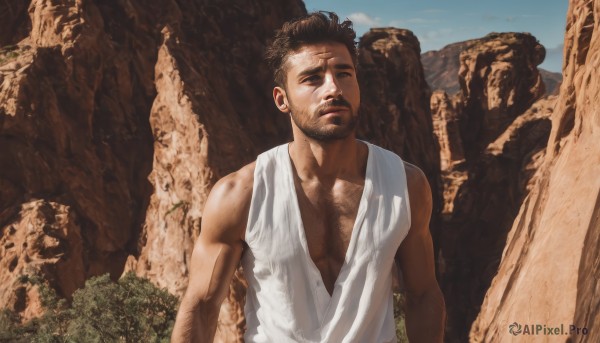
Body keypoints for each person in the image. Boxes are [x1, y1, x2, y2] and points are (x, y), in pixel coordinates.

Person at [171, 11, 445, 343]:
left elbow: (423, 295)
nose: (333, 88)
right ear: (281, 99)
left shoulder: (406, 186)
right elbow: (201, 307)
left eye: (344, 74)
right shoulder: (240, 195)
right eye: (312, 78)